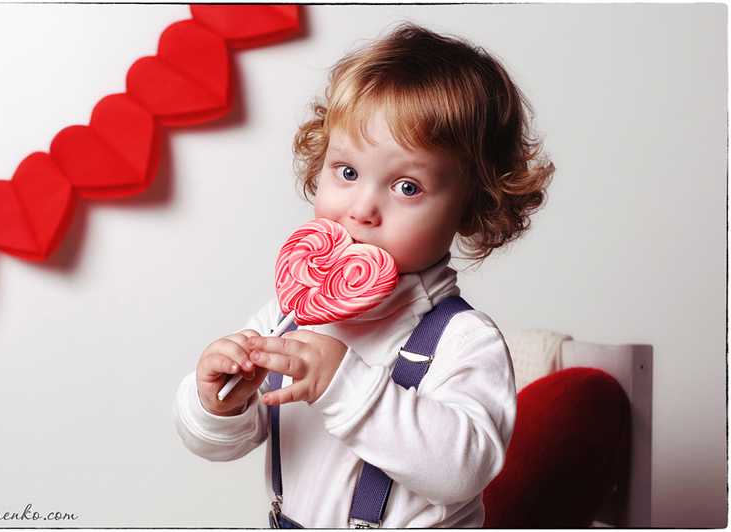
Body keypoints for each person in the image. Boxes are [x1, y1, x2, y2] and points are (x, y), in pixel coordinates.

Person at [174, 24, 553, 528]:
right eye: (347, 172)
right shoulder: (289, 315)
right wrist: (217, 404)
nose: (361, 209)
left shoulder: (463, 341)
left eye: (407, 186)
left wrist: (343, 385)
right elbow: (221, 444)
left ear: (471, 208)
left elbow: (464, 470)